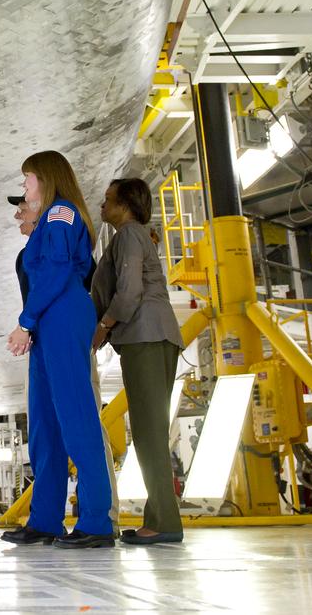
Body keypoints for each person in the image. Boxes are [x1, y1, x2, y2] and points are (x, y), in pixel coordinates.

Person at [3, 150, 114, 549]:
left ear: (46, 179)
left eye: (27, 179)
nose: (24, 188)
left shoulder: (61, 213)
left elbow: (56, 272)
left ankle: (97, 521)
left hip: (63, 313)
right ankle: (46, 519)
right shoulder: (46, 221)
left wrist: (25, 322)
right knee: (45, 426)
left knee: (76, 418)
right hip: (49, 318)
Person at [92, 177, 185, 545]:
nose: (103, 205)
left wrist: (103, 325)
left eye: (108, 200)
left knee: (148, 434)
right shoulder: (135, 236)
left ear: (126, 204)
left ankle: (164, 523)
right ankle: (161, 518)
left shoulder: (129, 234)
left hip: (146, 335)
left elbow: (129, 292)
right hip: (152, 335)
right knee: (151, 433)